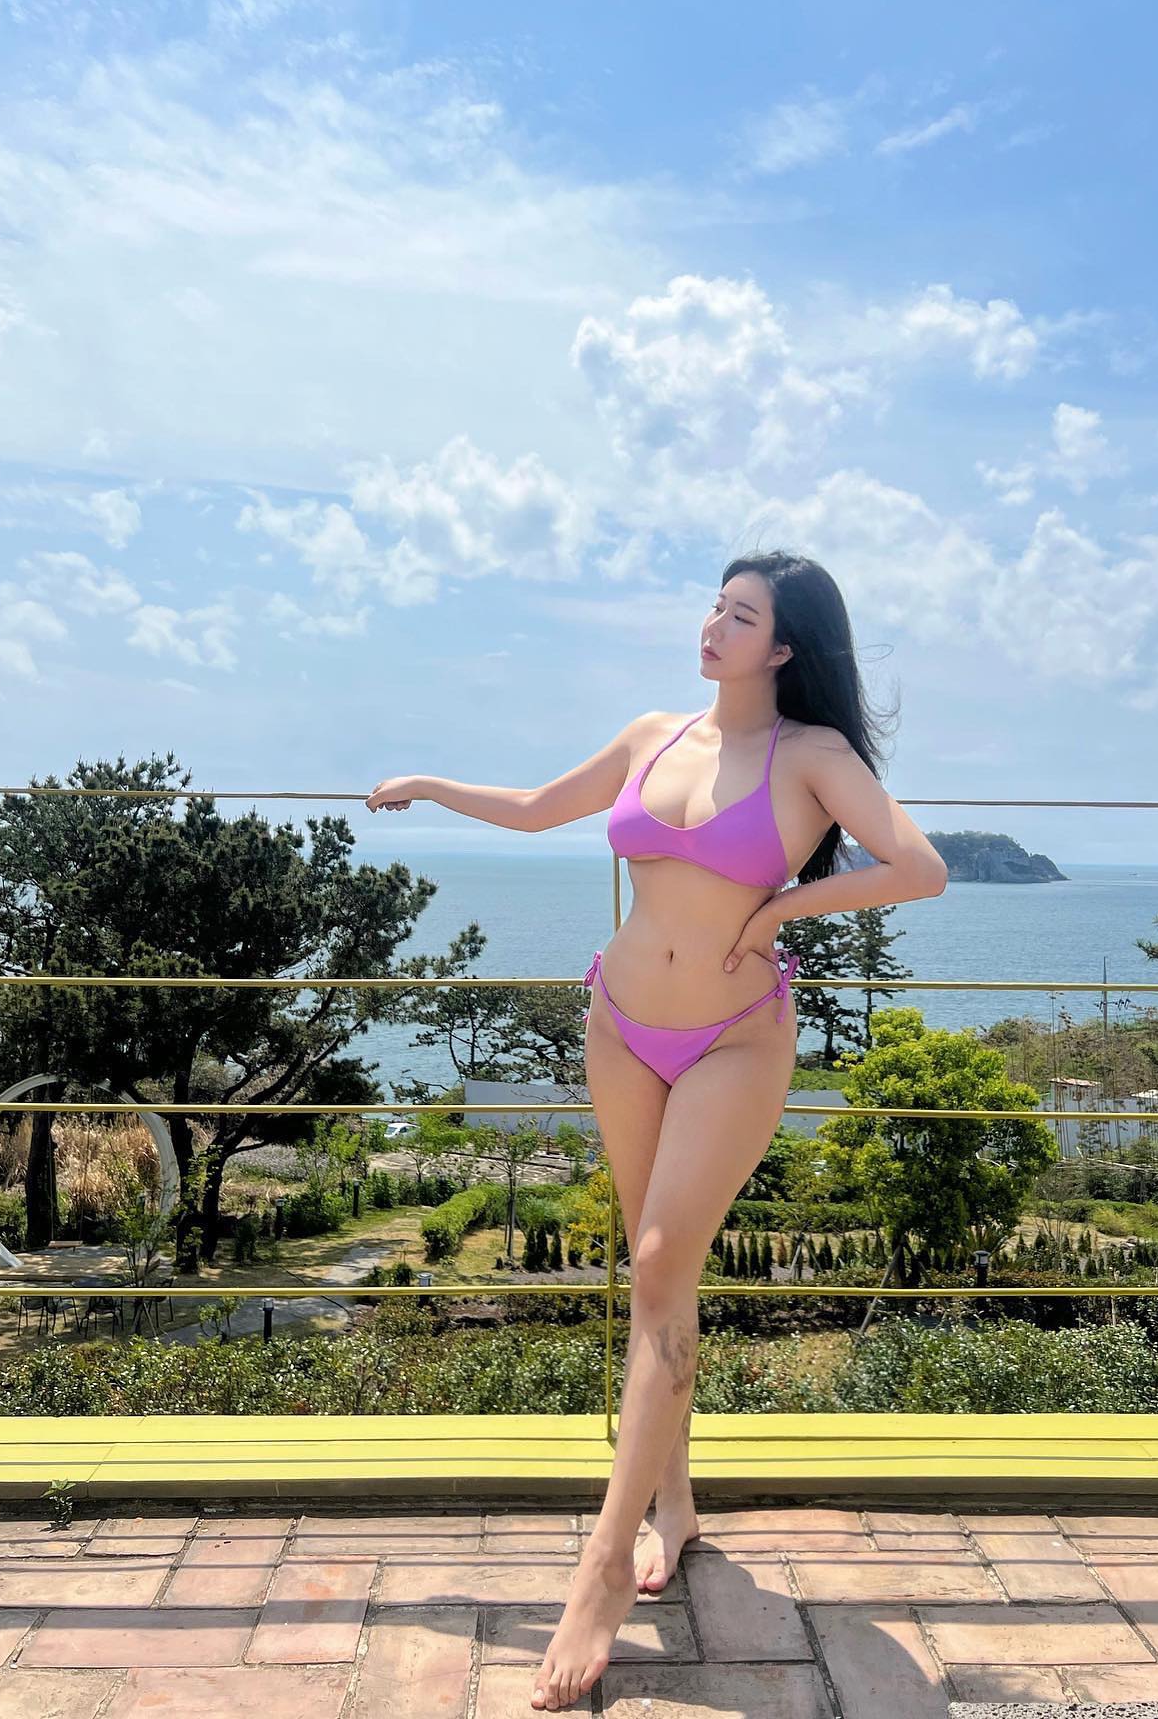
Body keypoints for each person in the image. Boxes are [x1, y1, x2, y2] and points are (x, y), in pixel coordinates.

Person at [365, 548, 949, 1711]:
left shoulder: (812, 756)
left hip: (734, 1037)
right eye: (715, 607)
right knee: (653, 1285)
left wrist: (785, 907)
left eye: (742, 617)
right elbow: (537, 810)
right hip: (620, 1025)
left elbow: (918, 869)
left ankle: (600, 1567)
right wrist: (428, 784)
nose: (713, 628)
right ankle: (673, 1505)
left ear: (785, 646)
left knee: (658, 1262)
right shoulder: (652, 735)